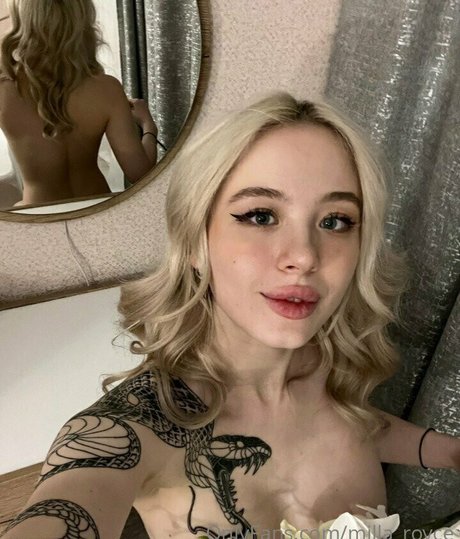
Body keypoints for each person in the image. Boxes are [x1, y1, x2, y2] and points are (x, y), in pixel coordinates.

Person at [3, 92, 459, 539]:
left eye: (335, 221)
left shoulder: (325, 360)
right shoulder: (140, 427)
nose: (304, 256)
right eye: (260, 216)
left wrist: (447, 452)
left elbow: (355, 426)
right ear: (195, 241)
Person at [0, 0, 157, 207]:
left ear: (22, 20)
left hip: (40, 214)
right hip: (97, 209)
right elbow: (140, 172)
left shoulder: (4, 89)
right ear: (82, 20)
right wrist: (148, 125)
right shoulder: (107, 88)